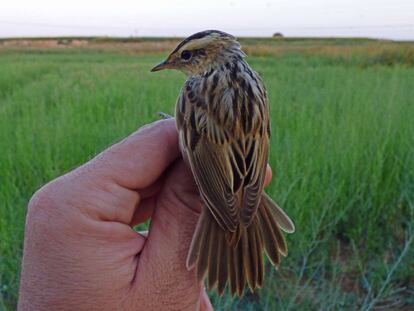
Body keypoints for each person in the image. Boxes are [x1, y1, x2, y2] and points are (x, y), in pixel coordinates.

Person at [18, 119, 271, 311]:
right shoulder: (256, 86)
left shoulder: (195, 91)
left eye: (186, 57)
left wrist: (215, 191)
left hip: (220, 186)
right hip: (249, 175)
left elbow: (200, 154)